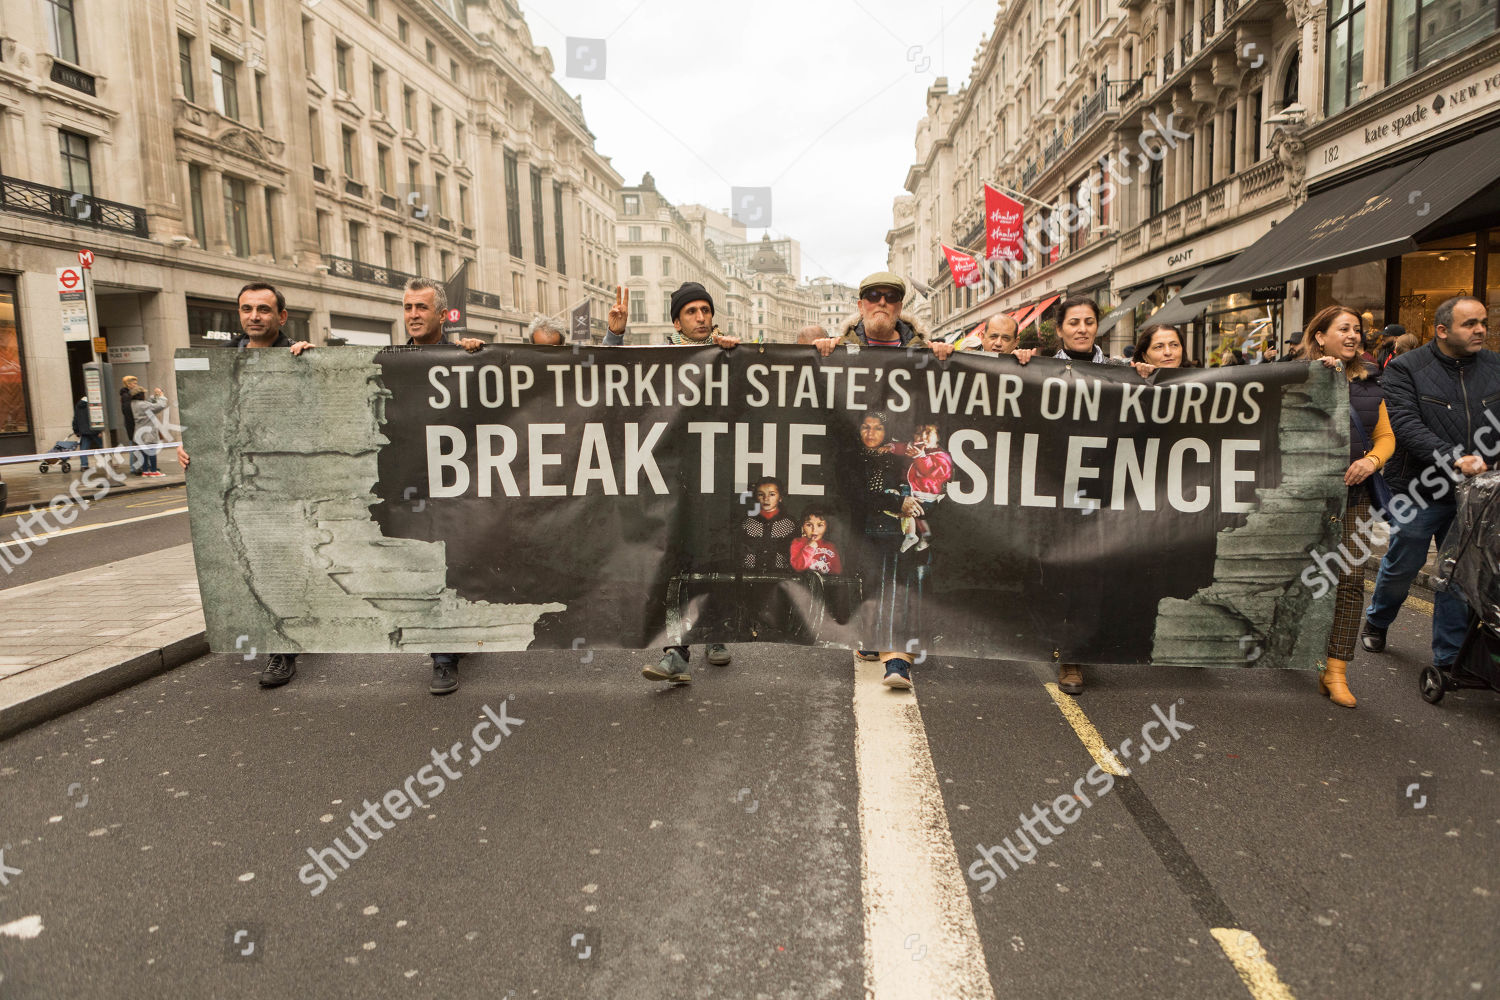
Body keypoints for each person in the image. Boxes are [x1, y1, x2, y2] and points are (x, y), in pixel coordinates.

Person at [813, 272, 954, 689]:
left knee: (900, 565)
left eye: (890, 297)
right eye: (872, 296)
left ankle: (898, 655)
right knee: (868, 566)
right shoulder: (841, 351)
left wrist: (948, 359)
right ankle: (874, 637)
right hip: (857, 486)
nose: (881, 303)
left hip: (902, 485)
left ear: (899, 306)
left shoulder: (922, 352)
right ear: (859, 305)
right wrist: (818, 354)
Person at [1362, 296, 1500, 678]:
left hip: (1479, 494)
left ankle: (1448, 660)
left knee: (1458, 574)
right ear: (1442, 330)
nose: (1480, 330)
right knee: (1403, 565)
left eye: (1483, 322)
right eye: (1469, 324)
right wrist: (1455, 457)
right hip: (1420, 488)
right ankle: (1377, 619)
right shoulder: (1406, 368)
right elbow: (1405, 425)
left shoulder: (1495, 365)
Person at [1013, 296, 1128, 694]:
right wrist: (1016, 362)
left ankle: (1075, 657)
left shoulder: (1120, 372)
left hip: (1101, 490)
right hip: (1050, 489)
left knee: (1090, 572)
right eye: (1074, 322)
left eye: (1089, 322)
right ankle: (1062, 648)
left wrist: (1147, 376)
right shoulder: (1037, 368)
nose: (1082, 328)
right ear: (1059, 330)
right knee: (1056, 570)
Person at [629, 281, 740, 685]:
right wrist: (614, 335)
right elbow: (610, 385)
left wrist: (739, 356)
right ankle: (675, 651)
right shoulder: (658, 359)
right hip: (675, 478)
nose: (700, 318)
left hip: (720, 474)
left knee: (715, 556)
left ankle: (715, 632)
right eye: (691, 312)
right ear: (676, 320)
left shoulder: (729, 354)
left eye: (705, 311)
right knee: (676, 562)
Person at [1303, 306, 1394, 707]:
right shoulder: (1296, 377)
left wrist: (1371, 461)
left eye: (1357, 329)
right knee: (1298, 580)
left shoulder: (1372, 381)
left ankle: (1336, 671)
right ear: (1320, 336)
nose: (1354, 335)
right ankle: (1299, 651)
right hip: (1305, 498)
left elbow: (1386, 436)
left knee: (1351, 583)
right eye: (1344, 329)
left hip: (1354, 499)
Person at [896, 424, 952, 552]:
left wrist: (920, 457)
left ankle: (910, 535)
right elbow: (903, 448)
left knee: (909, 508)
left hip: (925, 494)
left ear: (938, 437)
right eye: (918, 433)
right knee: (918, 516)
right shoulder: (916, 447)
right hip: (914, 490)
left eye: (928, 433)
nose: (922, 437)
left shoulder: (940, 455)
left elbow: (931, 471)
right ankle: (926, 535)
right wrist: (891, 447)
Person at [742, 476, 798, 571]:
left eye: (772, 494)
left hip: (781, 577)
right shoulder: (747, 523)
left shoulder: (790, 524)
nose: (766, 499)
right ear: (756, 497)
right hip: (751, 576)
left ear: (780, 497)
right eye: (761, 494)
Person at [130, 386, 169, 477]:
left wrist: (155, 396)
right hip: (148, 432)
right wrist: (161, 396)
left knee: (144, 452)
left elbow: (149, 403)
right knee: (152, 451)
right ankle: (153, 470)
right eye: (143, 393)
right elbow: (160, 406)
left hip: (140, 431)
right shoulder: (142, 405)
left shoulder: (134, 403)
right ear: (140, 395)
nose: (145, 395)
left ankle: (145, 471)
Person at [790, 509, 842, 574]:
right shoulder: (797, 543)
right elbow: (798, 567)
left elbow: (837, 571)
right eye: (809, 525)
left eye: (820, 525)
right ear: (802, 527)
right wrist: (809, 548)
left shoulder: (831, 546)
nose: (814, 529)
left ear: (826, 527)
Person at [119, 375, 142, 474]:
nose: (136, 385)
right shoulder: (126, 396)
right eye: (134, 383)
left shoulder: (130, 395)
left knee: (136, 444)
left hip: (133, 422)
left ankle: (138, 466)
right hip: (131, 423)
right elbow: (128, 411)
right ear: (128, 384)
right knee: (133, 444)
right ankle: (133, 467)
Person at [72, 397, 101, 471]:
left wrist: (76, 431)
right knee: (104, 445)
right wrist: (99, 430)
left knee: (84, 449)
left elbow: (75, 419)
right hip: (93, 430)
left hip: (84, 431)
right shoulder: (92, 405)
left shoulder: (78, 406)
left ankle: (84, 465)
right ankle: (109, 461)